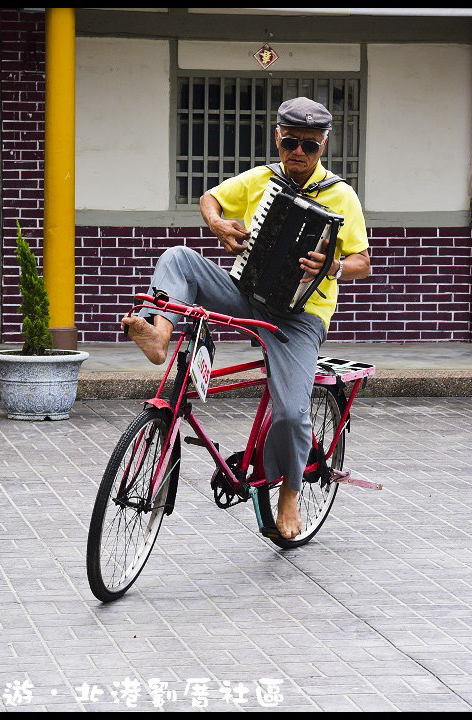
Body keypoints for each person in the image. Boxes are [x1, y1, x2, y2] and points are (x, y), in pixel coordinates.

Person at [122, 97, 371, 540]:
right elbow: (209, 198)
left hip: (299, 316)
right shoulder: (261, 180)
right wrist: (217, 224)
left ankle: (290, 492)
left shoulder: (341, 195)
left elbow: (363, 262)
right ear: (278, 138)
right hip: (246, 293)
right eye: (291, 142)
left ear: (323, 146)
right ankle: (159, 334)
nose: (298, 152)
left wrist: (331, 267)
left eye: (309, 146)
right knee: (178, 257)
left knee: (293, 414)